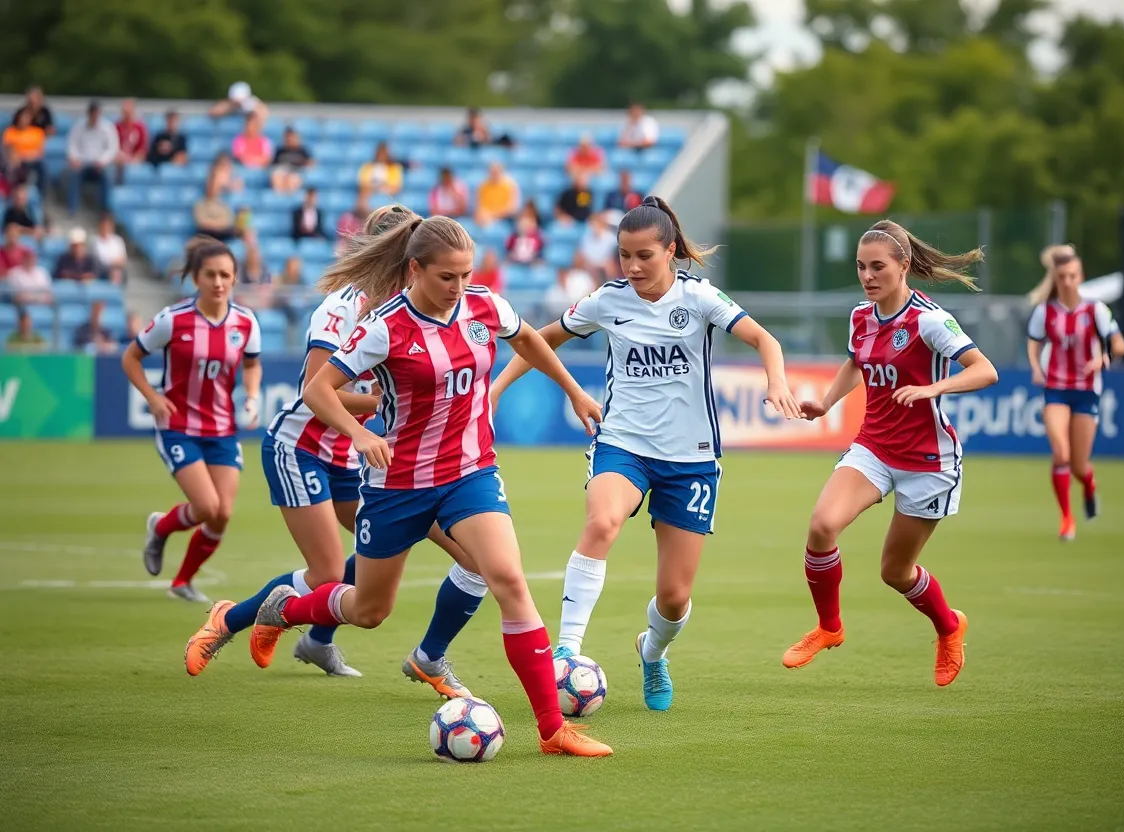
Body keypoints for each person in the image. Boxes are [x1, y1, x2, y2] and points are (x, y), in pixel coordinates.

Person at [244, 213, 612, 756]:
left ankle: (552, 729)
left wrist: (574, 390)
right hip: (396, 485)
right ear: (415, 269)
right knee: (369, 611)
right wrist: (357, 434)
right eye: (447, 277)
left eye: (466, 275)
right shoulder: (384, 326)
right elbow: (318, 390)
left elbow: (530, 339)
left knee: (507, 577)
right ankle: (287, 607)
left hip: (470, 473)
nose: (459, 288)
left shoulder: (485, 305)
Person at [491, 196, 801, 711]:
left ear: (671, 251)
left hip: (691, 458)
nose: (632, 267)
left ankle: (652, 652)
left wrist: (776, 382)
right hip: (623, 443)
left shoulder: (699, 297)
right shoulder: (605, 301)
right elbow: (537, 341)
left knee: (675, 598)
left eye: (644, 256)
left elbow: (764, 338)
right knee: (602, 523)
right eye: (624, 256)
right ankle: (567, 649)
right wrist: (496, 389)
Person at [782, 219, 999, 687]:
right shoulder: (862, 315)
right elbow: (855, 363)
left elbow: (985, 371)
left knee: (895, 572)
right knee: (822, 526)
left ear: (903, 266)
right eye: (861, 267)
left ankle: (949, 626)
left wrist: (933, 388)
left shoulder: (930, 320)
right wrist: (825, 403)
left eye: (878, 266)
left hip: (928, 462)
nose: (868, 276)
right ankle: (829, 627)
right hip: (874, 447)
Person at [124, 236, 262, 602]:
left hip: (221, 430)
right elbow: (130, 358)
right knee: (205, 507)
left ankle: (182, 582)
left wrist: (251, 396)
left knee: (222, 515)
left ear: (235, 279)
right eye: (210, 274)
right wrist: (153, 397)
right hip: (179, 428)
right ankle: (161, 526)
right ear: (195, 278)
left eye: (225, 275)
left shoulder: (246, 322)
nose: (218, 282)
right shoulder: (173, 319)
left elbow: (252, 364)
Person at [1026, 245, 1124, 541]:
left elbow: (1119, 345)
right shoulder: (1045, 311)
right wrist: (1035, 366)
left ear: (1080, 276)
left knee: (1080, 466)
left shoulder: (1095, 309)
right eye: (1062, 277)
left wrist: (1104, 358)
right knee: (1061, 454)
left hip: (1086, 392)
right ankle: (1067, 519)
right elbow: (1033, 342)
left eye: (1072, 276)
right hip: (1056, 388)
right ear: (1055, 279)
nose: (1067, 281)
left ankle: (1089, 485)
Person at [66, 100, 118, 213]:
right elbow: (72, 145)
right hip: (82, 164)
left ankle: (104, 210)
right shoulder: (78, 127)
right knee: (73, 174)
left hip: (100, 165)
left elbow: (112, 148)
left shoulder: (108, 127)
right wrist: (75, 159)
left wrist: (102, 161)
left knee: (107, 176)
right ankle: (73, 210)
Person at [3, 107, 47, 191]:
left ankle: (40, 194)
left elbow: (40, 152)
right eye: (23, 116)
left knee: (42, 167)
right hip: (14, 161)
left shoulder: (37, 132)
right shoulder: (10, 132)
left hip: (32, 161)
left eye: (27, 117)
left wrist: (24, 155)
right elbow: (7, 150)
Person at [473, 162, 519, 226]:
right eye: (492, 172)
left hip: (505, 219)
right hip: (486, 217)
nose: (494, 174)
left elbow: (511, 208)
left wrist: (493, 215)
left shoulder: (510, 186)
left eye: (496, 172)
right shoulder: (483, 186)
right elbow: (480, 206)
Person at [269, 127, 312, 193]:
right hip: (282, 171)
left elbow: (310, 163)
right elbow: (273, 164)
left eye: (292, 137)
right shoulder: (280, 150)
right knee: (276, 176)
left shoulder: (302, 151)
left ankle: (289, 198)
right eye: (288, 137)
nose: (290, 139)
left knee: (292, 179)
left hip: (296, 172)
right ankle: (279, 197)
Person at [93, 212, 128, 285]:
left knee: (118, 272)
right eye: (104, 225)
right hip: (101, 269)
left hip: (115, 268)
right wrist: (112, 262)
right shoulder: (95, 241)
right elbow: (99, 259)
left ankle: (115, 290)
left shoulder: (118, 240)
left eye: (108, 225)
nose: (106, 227)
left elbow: (122, 259)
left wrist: (113, 264)